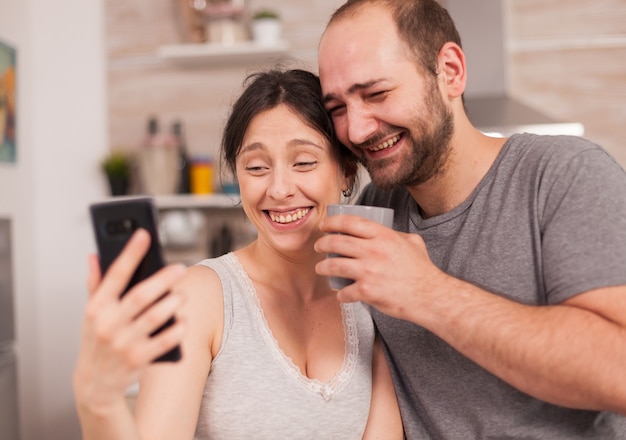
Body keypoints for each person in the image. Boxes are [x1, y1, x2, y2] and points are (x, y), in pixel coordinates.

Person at [314, 0, 626, 438]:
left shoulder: (563, 175)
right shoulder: (377, 206)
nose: (358, 129)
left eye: (377, 94)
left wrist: (428, 292)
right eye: (338, 108)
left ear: (450, 71)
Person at [73, 69, 403, 440]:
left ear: (345, 172)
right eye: (257, 167)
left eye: (304, 162)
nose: (278, 189)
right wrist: (98, 401)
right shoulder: (199, 297)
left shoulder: (367, 291)